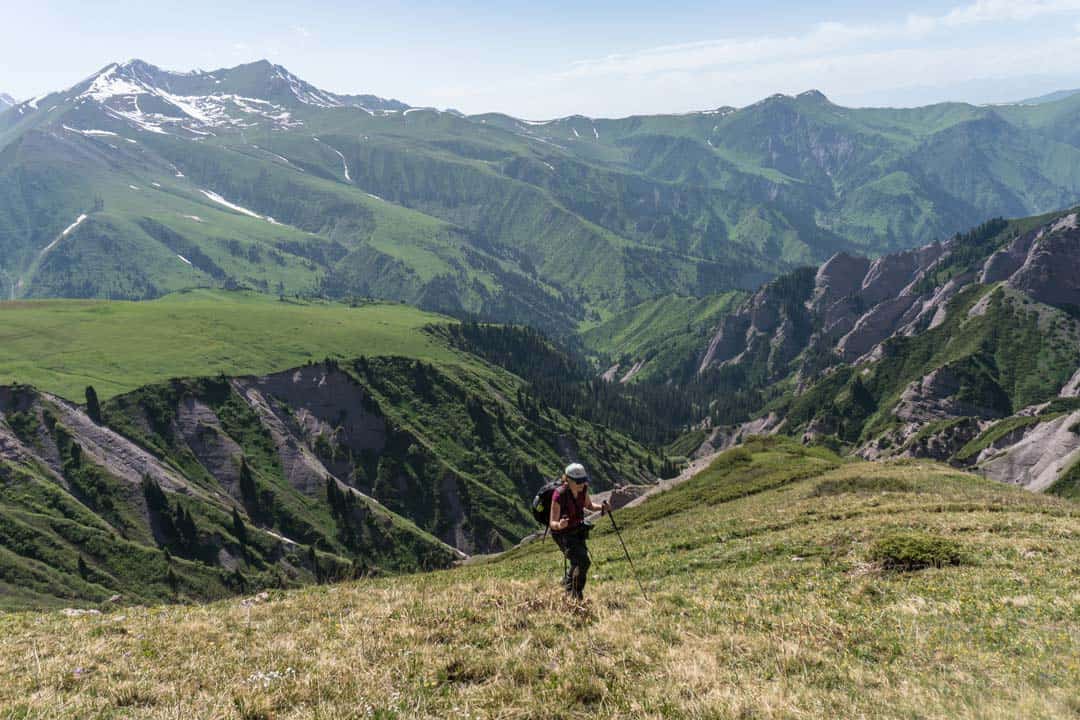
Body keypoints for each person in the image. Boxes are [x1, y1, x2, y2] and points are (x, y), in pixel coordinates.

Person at [549, 462, 609, 600]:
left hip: (577, 530)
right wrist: (560, 525)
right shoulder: (559, 495)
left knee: (578, 560)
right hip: (562, 534)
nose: (582, 484)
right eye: (578, 481)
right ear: (568, 479)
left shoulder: (583, 489)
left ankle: (567, 586)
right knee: (583, 561)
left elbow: (588, 505)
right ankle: (574, 593)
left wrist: (602, 508)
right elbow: (552, 522)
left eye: (584, 480)